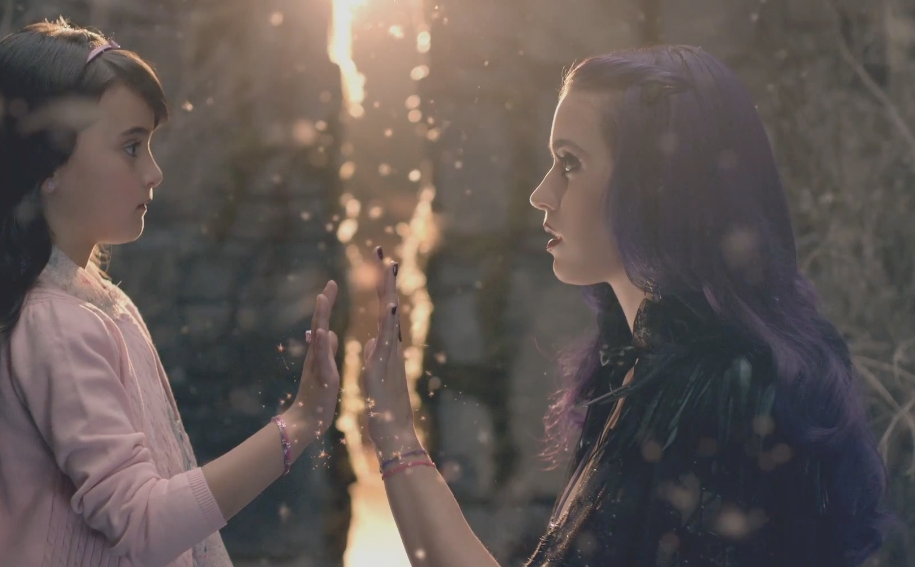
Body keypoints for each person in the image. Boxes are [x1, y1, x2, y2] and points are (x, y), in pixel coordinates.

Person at [358, 45, 888, 567]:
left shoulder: (722, 387)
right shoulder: (645, 368)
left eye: (570, 163)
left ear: (654, 185)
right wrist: (397, 435)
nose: (541, 193)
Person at [0, 20, 341, 567]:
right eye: (131, 147)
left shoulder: (90, 303)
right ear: (46, 163)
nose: (154, 172)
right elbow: (143, 527)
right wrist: (298, 423)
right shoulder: (56, 325)